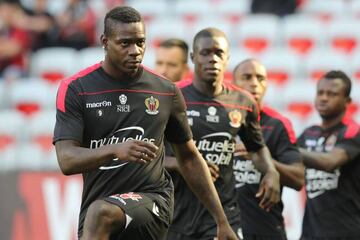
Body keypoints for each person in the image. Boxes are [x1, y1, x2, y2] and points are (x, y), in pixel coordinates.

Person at [53, 6, 237, 240]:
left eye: (141, 42)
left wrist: (222, 222)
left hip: (153, 201)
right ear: (105, 41)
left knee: (100, 213)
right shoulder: (77, 89)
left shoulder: (165, 91)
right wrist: (115, 150)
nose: (135, 51)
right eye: (125, 43)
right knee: (98, 213)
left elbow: (189, 157)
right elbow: (66, 160)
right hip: (100, 212)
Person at [165, 28, 281, 240]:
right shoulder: (172, 97)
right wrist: (182, 164)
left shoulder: (243, 103)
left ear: (227, 58)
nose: (213, 59)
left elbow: (257, 148)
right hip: (175, 213)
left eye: (219, 53)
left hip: (222, 215)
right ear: (193, 57)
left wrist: (272, 172)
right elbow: (147, 155)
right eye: (205, 53)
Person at [232, 59, 304, 240]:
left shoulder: (278, 125)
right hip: (223, 228)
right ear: (233, 84)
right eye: (247, 77)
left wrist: (261, 158)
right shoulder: (218, 121)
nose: (254, 83)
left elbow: (298, 178)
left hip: (265, 228)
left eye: (260, 78)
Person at [297, 70, 360, 240]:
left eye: (332, 94)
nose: (324, 98)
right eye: (320, 93)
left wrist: (285, 147)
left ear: (347, 101)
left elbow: (330, 162)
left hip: (347, 233)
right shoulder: (308, 133)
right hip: (310, 233)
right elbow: (290, 169)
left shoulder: (353, 131)